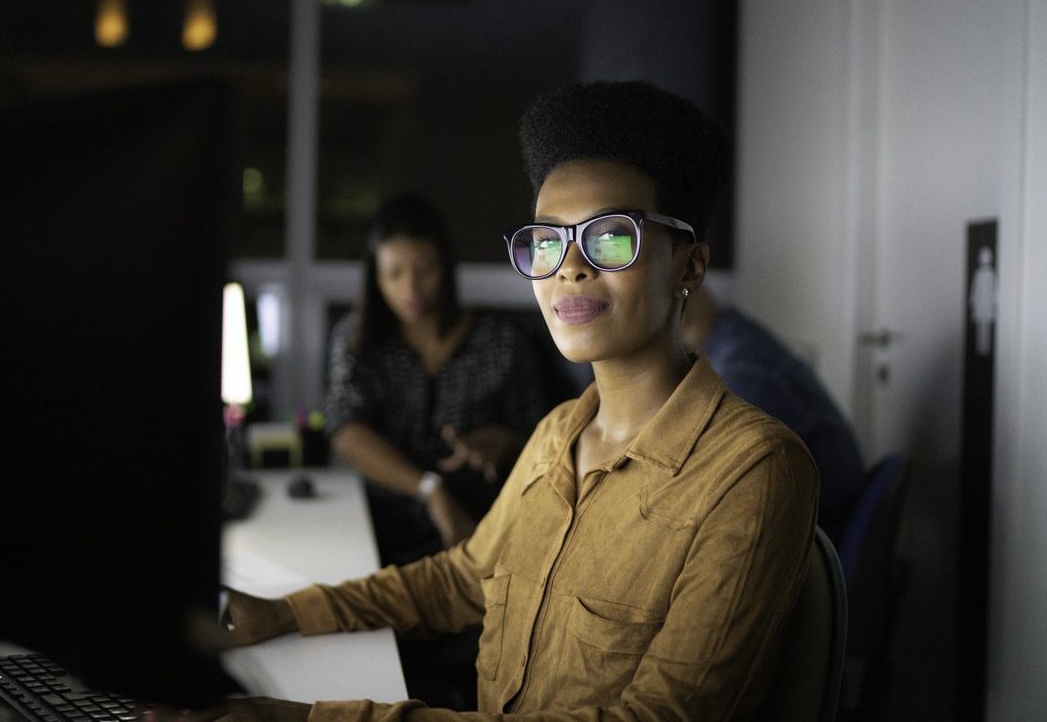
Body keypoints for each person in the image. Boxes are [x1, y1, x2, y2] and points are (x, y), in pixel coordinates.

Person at [201, 81, 819, 722]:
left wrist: (296, 718)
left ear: (689, 266)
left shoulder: (752, 472)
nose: (569, 268)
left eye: (610, 237)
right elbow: (462, 578)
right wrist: (282, 613)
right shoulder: (559, 434)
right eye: (548, 241)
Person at [324, 193, 556, 569]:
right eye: (394, 273)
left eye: (425, 269)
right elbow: (345, 429)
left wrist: (504, 442)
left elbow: (543, 433)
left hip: (483, 534)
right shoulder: (357, 340)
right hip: (376, 534)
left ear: (446, 266)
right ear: (375, 275)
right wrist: (431, 490)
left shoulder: (501, 340)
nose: (411, 288)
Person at [682, 286, 867, 542]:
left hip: (816, 545)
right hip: (825, 530)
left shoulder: (743, 379)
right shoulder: (738, 339)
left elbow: (719, 511)